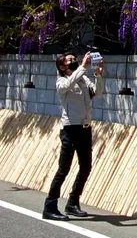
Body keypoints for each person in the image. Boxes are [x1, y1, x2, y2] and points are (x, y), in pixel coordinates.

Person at [42, 51, 104, 221]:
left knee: (86, 166)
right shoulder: (61, 81)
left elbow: (97, 93)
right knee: (64, 169)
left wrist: (98, 76)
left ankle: (73, 202)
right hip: (70, 130)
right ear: (62, 66)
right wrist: (83, 67)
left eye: (74, 59)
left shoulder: (83, 78)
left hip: (85, 128)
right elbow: (69, 83)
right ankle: (50, 206)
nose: (74, 61)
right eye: (70, 60)